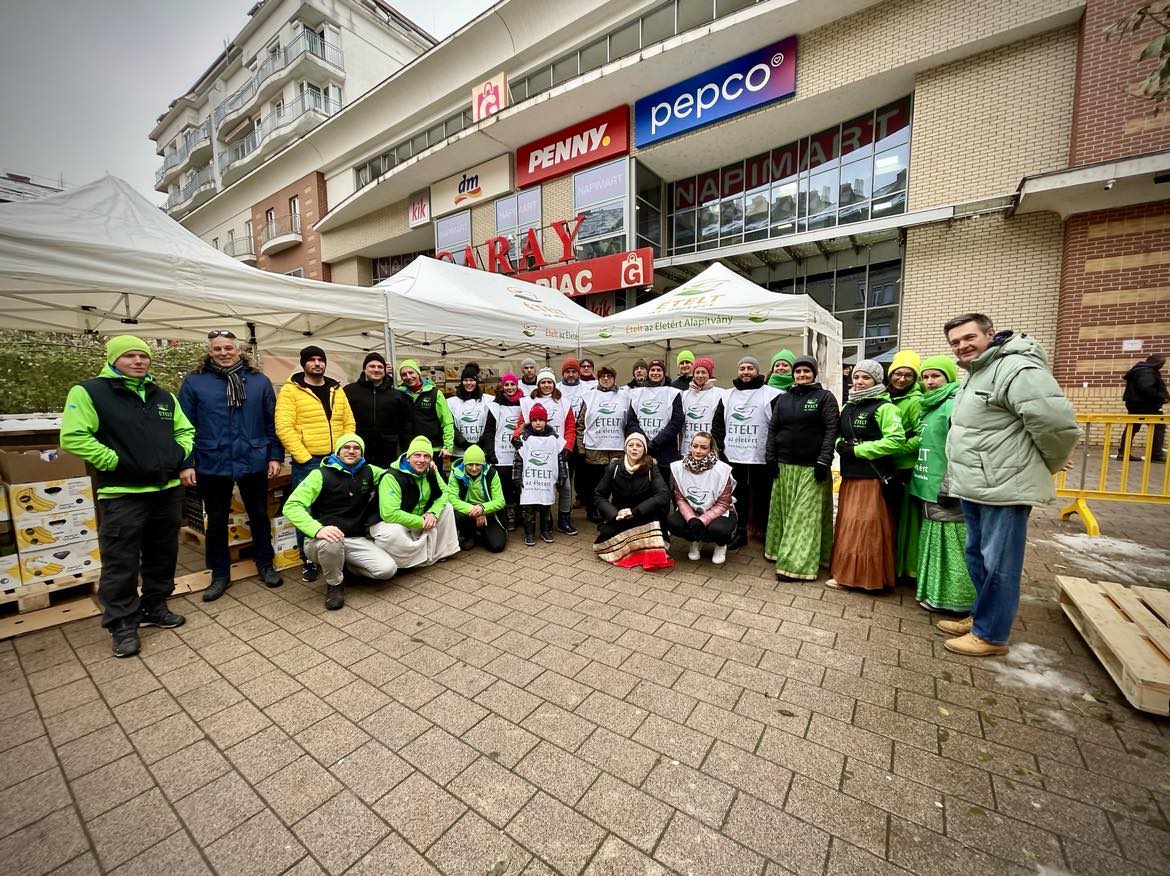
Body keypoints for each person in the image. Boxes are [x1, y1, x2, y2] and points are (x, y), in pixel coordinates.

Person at [943, 314, 1080, 656]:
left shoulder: (1016, 369)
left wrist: (1047, 464)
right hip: (977, 483)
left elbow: (1055, 424)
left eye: (969, 337)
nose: (962, 346)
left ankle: (991, 635)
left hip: (1004, 485)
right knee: (978, 556)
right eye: (955, 342)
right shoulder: (979, 371)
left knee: (999, 564)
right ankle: (981, 618)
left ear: (990, 333)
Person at [60, 336, 196, 657]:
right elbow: (74, 436)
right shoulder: (90, 392)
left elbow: (185, 430)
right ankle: (122, 622)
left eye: (143, 356)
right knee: (121, 559)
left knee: (162, 553)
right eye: (129, 356)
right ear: (113, 359)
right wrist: (114, 461)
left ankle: (155, 605)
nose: (138, 361)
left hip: (165, 490)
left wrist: (177, 455)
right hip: (122, 493)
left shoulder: (162, 396)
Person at [178, 330, 283, 602]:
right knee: (216, 521)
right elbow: (183, 426)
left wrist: (275, 456)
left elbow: (272, 421)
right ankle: (219, 574)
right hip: (212, 460)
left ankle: (265, 564)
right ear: (209, 352)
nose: (223, 353)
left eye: (228, 348)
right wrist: (186, 463)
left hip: (253, 458)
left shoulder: (258, 381)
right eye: (217, 349)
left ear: (238, 350)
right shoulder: (195, 382)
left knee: (259, 515)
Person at [283, 434, 397, 610]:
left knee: (387, 570)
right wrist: (317, 529)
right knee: (331, 543)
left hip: (354, 538)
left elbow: (395, 476)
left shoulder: (369, 471)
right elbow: (291, 506)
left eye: (356, 448)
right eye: (346, 447)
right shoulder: (319, 475)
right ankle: (335, 584)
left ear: (361, 453)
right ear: (337, 451)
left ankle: (345, 567)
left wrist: (425, 465)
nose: (351, 451)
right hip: (321, 541)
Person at [275, 345, 356, 582]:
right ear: (303, 364)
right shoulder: (291, 390)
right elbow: (284, 427)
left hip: (336, 460)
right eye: (312, 360)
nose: (317, 363)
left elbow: (349, 422)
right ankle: (308, 559)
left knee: (337, 505)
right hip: (308, 461)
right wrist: (304, 456)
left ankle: (335, 551)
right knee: (306, 509)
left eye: (321, 359)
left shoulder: (336, 389)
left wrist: (345, 450)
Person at [827, 359, 907, 592]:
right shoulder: (848, 406)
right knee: (849, 526)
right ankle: (847, 574)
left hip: (872, 478)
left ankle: (867, 579)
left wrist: (858, 450)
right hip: (850, 476)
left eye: (866, 378)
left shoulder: (885, 408)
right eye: (856, 377)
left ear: (877, 380)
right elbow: (839, 434)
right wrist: (840, 444)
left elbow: (896, 440)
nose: (859, 382)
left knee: (866, 528)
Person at [910, 356, 976, 614]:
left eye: (935, 376)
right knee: (935, 542)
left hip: (946, 489)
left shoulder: (952, 405)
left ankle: (957, 600)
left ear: (949, 377)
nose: (929, 382)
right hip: (928, 485)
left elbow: (961, 449)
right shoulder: (929, 405)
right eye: (925, 377)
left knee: (952, 546)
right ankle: (935, 594)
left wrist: (949, 486)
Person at [764, 355, 839, 581]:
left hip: (812, 467)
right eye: (798, 371)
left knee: (803, 516)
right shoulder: (784, 398)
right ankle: (779, 551)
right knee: (784, 513)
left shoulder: (825, 398)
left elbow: (831, 430)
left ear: (814, 374)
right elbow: (773, 429)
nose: (802, 375)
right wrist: (771, 457)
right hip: (784, 464)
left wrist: (824, 461)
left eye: (807, 371)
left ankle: (796, 566)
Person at [717, 355, 781, 549]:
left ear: (757, 370)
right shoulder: (727, 395)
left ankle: (766, 534)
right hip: (733, 455)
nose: (745, 372)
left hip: (760, 456)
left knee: (763, 496)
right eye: (742, 368)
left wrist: (773, 453)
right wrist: (720, 448)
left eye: (750, 368)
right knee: (738, 496)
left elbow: (779, 426)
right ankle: (740, 532)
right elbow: (717, 424)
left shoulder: (771, 394)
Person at [371, 435, 460, 568]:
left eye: (426, 456)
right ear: (408, 457)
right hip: (390, 521)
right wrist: (422, 521)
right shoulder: (392, 477)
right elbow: (389, 514)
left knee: (446, 507)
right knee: (392, 532)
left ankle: (440, 553)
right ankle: (405, 562)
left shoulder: (430, 471)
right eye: (417, 455)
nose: (422, 460)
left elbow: (445, 493)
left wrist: (433, 513)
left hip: (420, 516)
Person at [593, 433, 673, 570]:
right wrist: (614, 514)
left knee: (653, 544)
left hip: (644, 513)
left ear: (644, 449)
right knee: (604, 543)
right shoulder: (614, 467)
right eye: (630, 445)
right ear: (625, 448)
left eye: (638, 445)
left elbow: (663, 494)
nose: (634, 448)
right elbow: (599, 495)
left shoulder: (651, 467)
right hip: (620, 515)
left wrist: (635, 511)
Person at [514, 368, 578, 534]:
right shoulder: (528, 402)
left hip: (557, 449)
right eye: (543, 382)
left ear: (554, 384)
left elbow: (570, 427)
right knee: (539, 485)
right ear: (538, 384)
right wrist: (515, 436)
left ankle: (564, 519)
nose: (546, 385)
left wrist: (568, 446)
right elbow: (521, 424)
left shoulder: (564, 403)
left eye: (549, 382)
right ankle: (543, 520)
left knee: (565, 487)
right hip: (535, 449)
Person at [668, 432, 736, 565]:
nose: (698, 451)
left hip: (719, 513)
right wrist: (691, 519)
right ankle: (695, 540)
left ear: (711, 449)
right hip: (693, 511)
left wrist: (702, 520)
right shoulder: (679, 467)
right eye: (695, 446)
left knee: (719, 530)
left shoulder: (722, 470)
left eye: (703, 447)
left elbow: (723, 504)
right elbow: (680, 499)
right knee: (673, 523)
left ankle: (721, 544)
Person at [887, 350, 924, 586]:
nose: (901, 379)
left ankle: (906, 568)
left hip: (905, 468)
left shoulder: (915, 401)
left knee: (906, 523)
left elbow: (921, 436)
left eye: (908, 375)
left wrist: (893, 450)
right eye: (897, 374)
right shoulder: (885, 397)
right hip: (885, 466)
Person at [576, 365, 630, 522]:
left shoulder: (625, 396)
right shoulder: (589, 396)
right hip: (594, 449)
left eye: (609, 376)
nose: (606, 379)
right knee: (595, 483)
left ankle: (615, 510)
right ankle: (593, 509)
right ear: (598, 378)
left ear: (614, 378)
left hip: (617, 449)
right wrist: (581, 448)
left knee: (617, 481)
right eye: (603, 376)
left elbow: (629, 423)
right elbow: (580, 425)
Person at [344, 352, 413, 467]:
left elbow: (405, 426)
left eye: (380, 367)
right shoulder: (349, 391)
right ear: (364, 369)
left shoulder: (397, 396)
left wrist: (408, 450)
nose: (376, 370)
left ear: (385, 370)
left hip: (388, 452)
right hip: (357, 449)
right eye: (372, 366)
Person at [627, 357, 684, 490]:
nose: (655, 373)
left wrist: (657, 442)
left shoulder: (673, 393)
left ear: (664, 373)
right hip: (643, 448)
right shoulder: (636, 394)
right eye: (652, 370)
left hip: (665, 449)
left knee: (662, 487)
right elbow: (632, 421)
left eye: (659, 370)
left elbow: (677, 421)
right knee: (641, 485)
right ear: (648, 372)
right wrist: (644, 441)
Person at [513, 403, 564, 546]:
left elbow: (559, 458)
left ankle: (545, 530)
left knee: (545, 506)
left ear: (545, 421)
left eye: (541, 420)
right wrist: (517, 478)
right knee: (528, 508)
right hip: (529, 480)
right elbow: (518, 459)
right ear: (530, 422)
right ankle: (529, 533)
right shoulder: (524, 439)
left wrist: (562, 475)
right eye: (534, 420)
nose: (538, 423)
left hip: (546, 479)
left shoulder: (554, 439)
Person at [447, 444, 507, 553]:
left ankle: (482, 533)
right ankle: (469, 534)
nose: (474, 468)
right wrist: (473, 510)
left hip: (488, 512)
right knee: (455, 515)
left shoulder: (492, 473)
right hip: (467, 513)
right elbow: (451, 498)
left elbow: (500, 501)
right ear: (465, 464)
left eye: (478, 465)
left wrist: (482, 509)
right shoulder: (456, 473)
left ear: (483, 464)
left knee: (497, 546)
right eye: (470, 464)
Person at [482, 371, 523, 529]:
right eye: (506, 385)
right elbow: (489, 431)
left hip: (519, 452)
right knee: (505, 485)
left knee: (518, 484)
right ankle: (509, 512)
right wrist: (490, 451)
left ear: (517, 385)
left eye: (512, 384)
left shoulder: (524, 403)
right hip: (501, 453)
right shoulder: (495, 406)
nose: (510, 387)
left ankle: (520, 511)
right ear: (502, 386)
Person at [397, 359, 454, 466]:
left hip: (432, 449)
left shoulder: (435, 393)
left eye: (411, 372)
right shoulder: (398, 394)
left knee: (433, 476)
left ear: (418, 373)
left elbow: (447, 421)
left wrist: (448, 446)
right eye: (404, 374)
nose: (408, 377)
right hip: (408, 450)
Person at [1117, 353, 1168, 462]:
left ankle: (1123, 453)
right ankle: (1156, 455)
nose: (1161, 366)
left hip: (1136, 403)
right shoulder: (1146, 372)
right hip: (1147, 405)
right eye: (1161, 364)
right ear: (1156, 363)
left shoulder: (1140, 370)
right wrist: (1161, 397)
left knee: (1132, 427)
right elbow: (1146, 388)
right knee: (1158, 427)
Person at [680, 356, 725, 452]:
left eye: (704, 372)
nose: (700, 375)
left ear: (709, 374)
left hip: (709, 446)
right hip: (688, 445)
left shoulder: (720, 393)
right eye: (697, 372)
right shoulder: (685, 394)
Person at [448, 363, 489, 458]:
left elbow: (490, 426)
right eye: (466, 380)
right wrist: (464, 443)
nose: (469, 383)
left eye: (472, 380)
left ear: (477, 382)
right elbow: (450, 425)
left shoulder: (488, 400)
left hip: (481, 452)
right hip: (459, 453)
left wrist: (482, 442)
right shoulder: (451, 402)